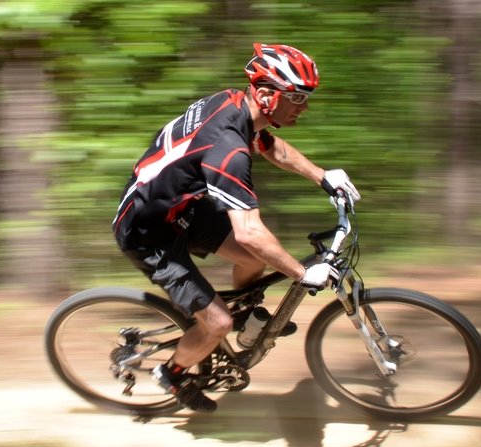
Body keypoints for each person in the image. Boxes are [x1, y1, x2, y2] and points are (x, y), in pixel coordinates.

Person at [112, 43, 360, 413]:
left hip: (183, 208)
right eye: (296, 97)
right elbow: (248, 231)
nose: (304, 106)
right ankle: (173, 373)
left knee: (252, 261)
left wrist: (323, 176)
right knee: (217, 321)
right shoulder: (227, 148)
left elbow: (269, 145)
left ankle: (244, 322)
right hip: (149, 232)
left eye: (306, 97)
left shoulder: (235, 105)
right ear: (264, 94)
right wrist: (302, 273)